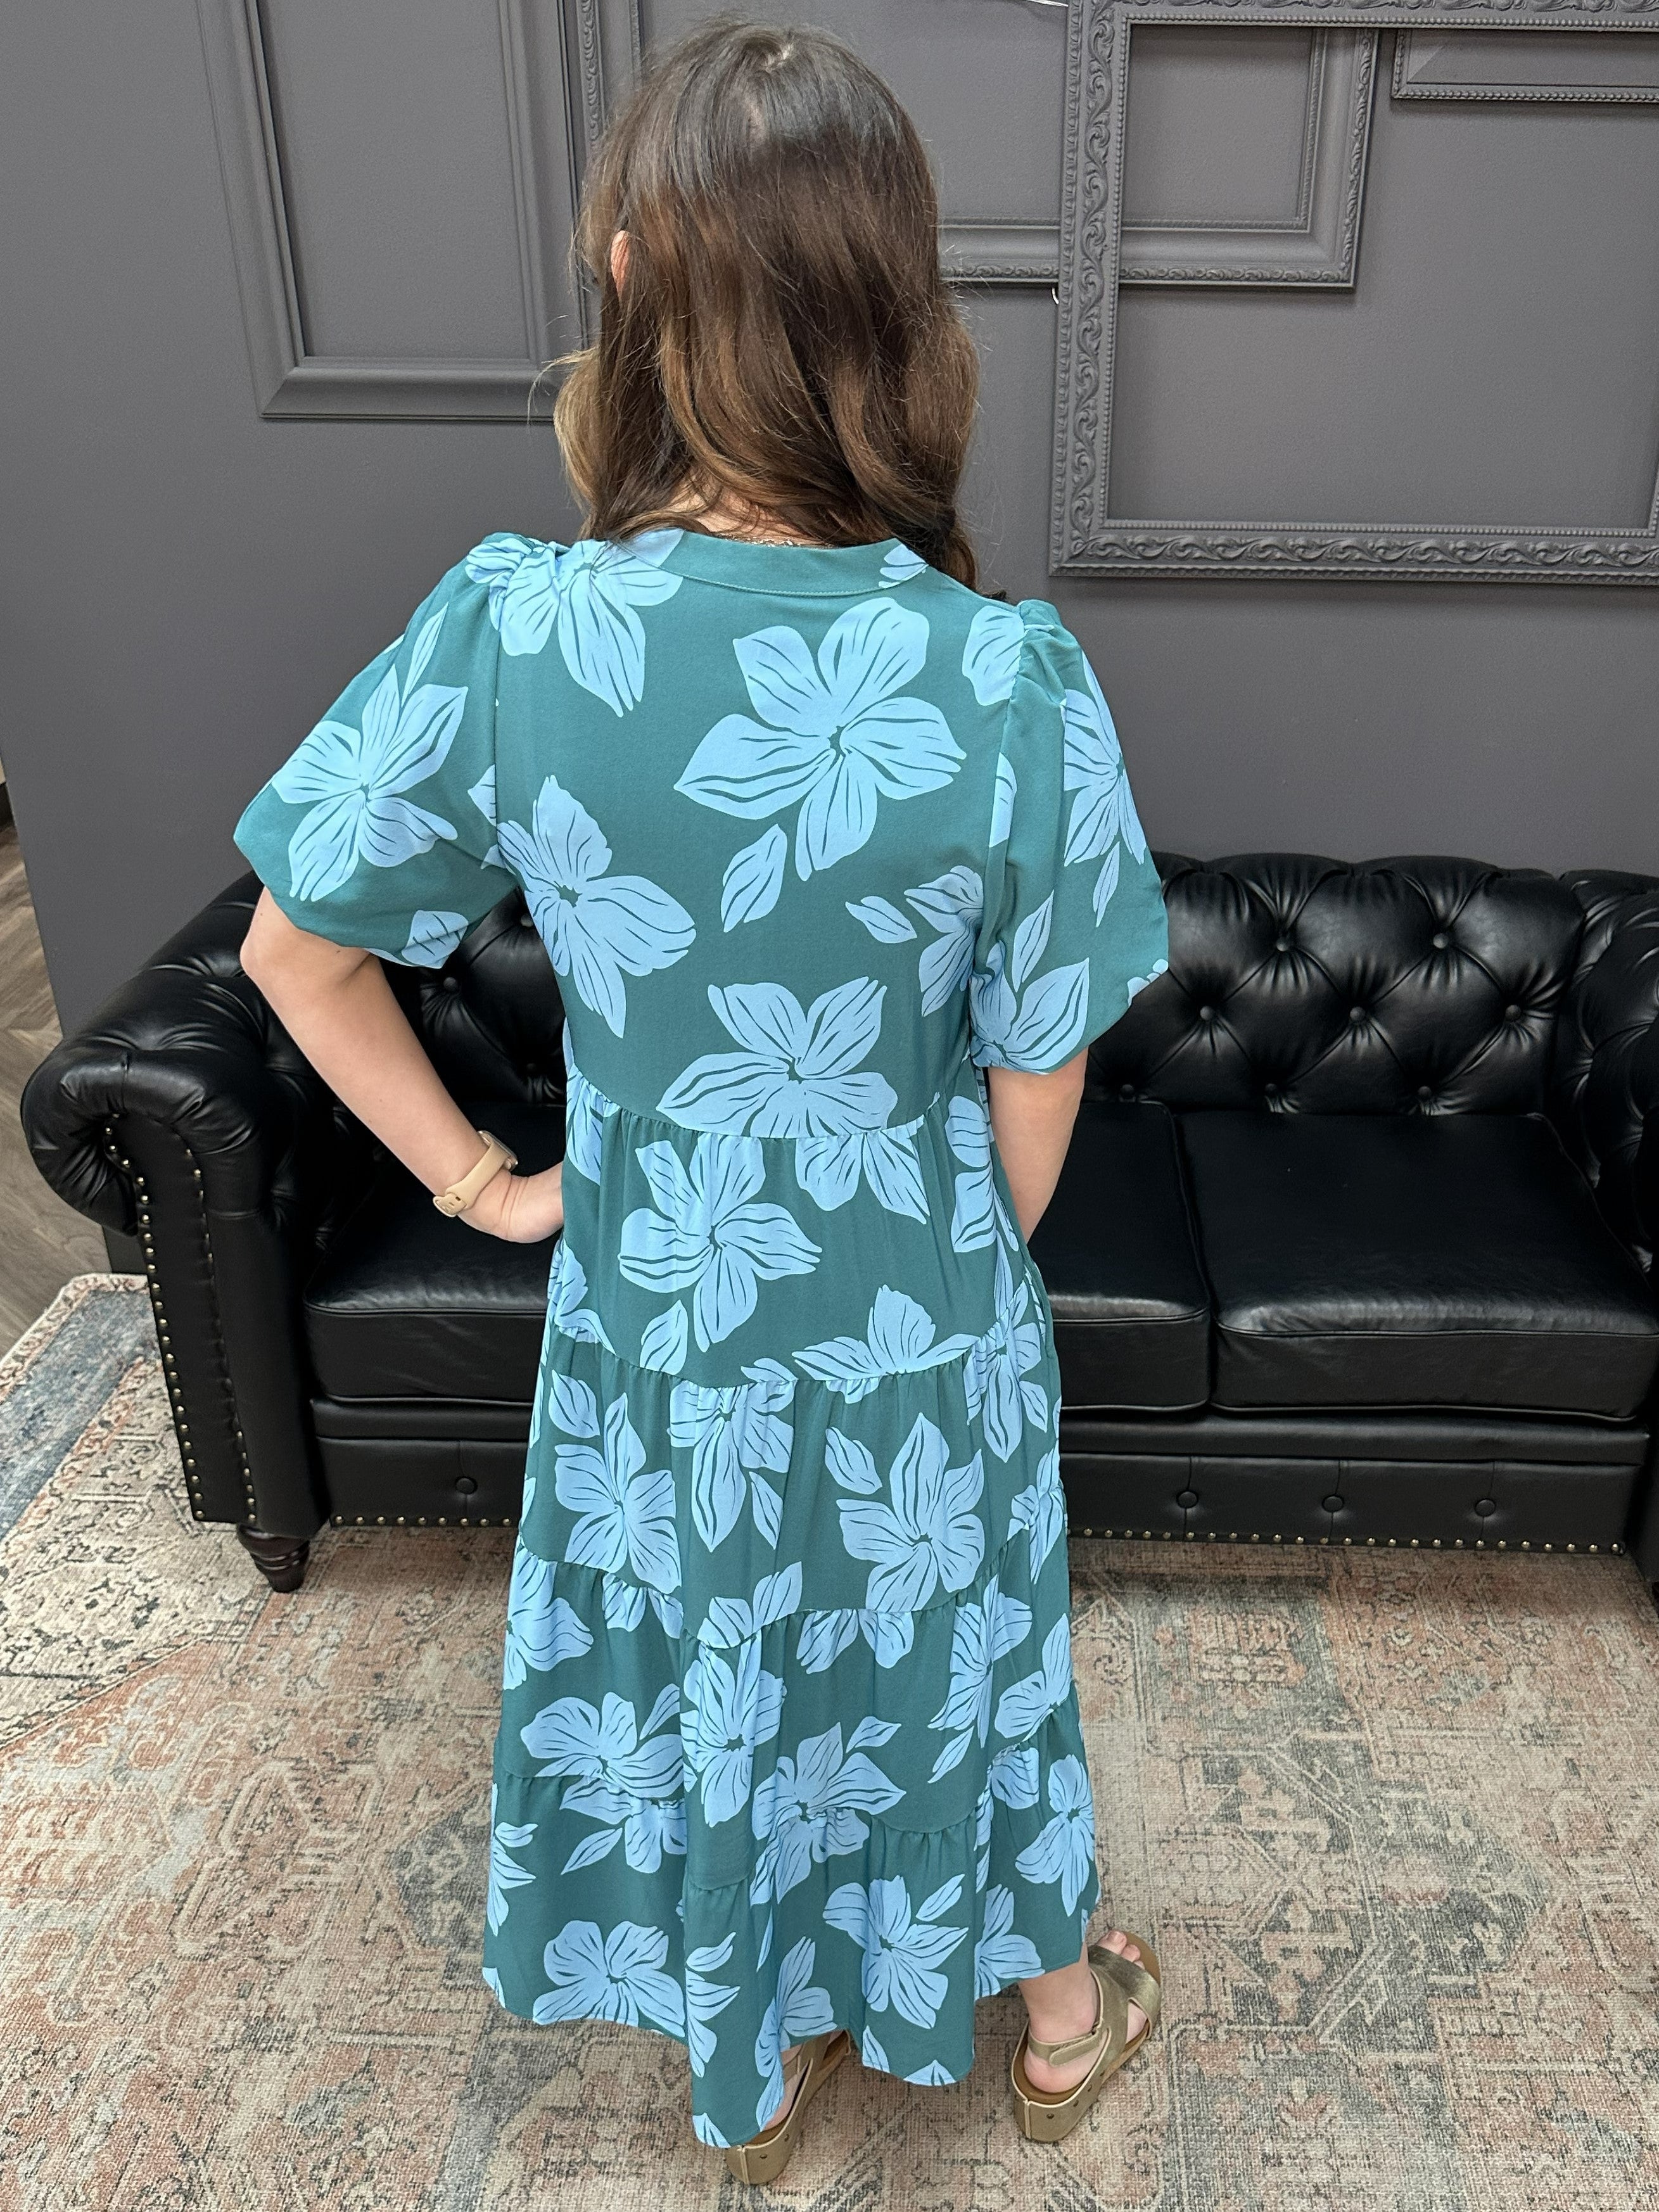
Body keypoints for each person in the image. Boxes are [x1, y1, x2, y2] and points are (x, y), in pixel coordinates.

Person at [232, 16, 1170, 2182]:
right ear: (900, 312)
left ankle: (752, 2056)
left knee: (719, 1656)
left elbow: (298, 946)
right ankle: (1047, 2015)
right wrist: (933, 1249)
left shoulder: (524, 634)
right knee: (947, 1661)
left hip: (661, 1297)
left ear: (642, 272)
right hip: (914, 1298)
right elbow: (1040, 1083)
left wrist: (488, 1181)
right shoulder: (1007, 680)